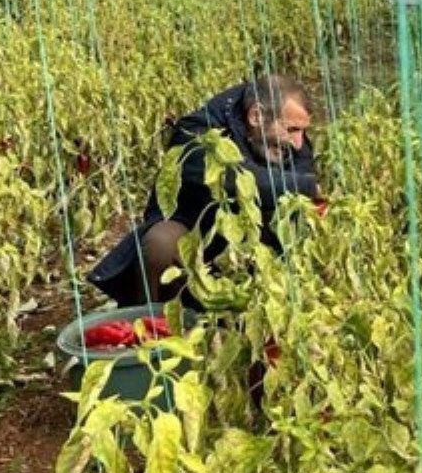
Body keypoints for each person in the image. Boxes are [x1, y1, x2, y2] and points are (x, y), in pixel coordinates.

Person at [87, 75, 320, 306]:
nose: (299, 143)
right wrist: (308, 187)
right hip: (196, 232)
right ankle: (161, 318)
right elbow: (235, 179)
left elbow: (300, 184)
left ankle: (253, 308)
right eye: (292, 130)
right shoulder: (196, 132)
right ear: (256, 116)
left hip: (245, 239)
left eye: (302, 131)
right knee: (161, 244)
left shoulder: (287, 136)